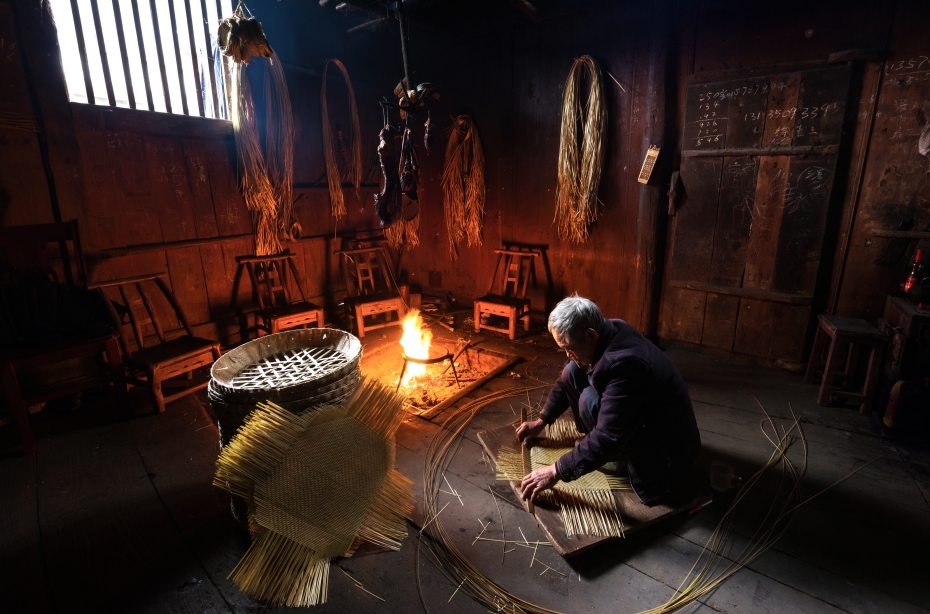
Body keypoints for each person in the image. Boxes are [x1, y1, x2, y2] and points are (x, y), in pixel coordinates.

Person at [516, 295, 701, 506]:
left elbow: (608, 434)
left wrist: (557, 470)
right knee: (571, 371)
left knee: (588, 400)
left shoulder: (627, 365)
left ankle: (624, 459)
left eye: (569, 347)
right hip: (640, 417)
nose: (567, 353)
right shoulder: (610, 329)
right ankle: (605, 453)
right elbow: (566, 377)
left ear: (590, 335)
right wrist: (542, 420)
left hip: (666, 451)